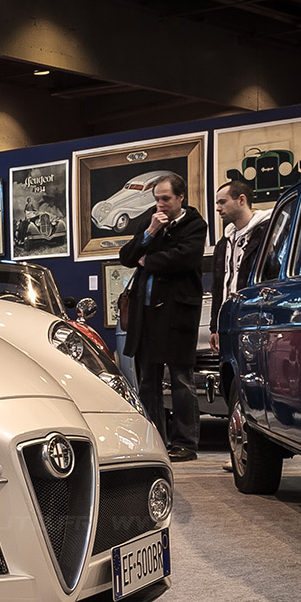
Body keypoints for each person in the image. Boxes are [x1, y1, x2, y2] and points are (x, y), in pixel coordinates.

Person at [118, 173, 207, 462]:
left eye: (166, 199)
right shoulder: (150, 221)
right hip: (146, 315)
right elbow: (127, 257)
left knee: (181, 380)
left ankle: (185, 443)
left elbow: (185, 258)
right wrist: (149, 233)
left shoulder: (195, 224)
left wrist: (149, 260)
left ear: (181, 197)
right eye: (157, 199)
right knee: (148, 381)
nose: (161, 204)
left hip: (177, 313)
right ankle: (156, 440)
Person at [209, 178, 271, 355]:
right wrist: (215, 327)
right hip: (230, 323)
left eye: (222, 202)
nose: (218, 208)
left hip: (257, 322)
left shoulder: (266, 235)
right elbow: (218, 287)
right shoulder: (224, 242)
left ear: (241, 200)